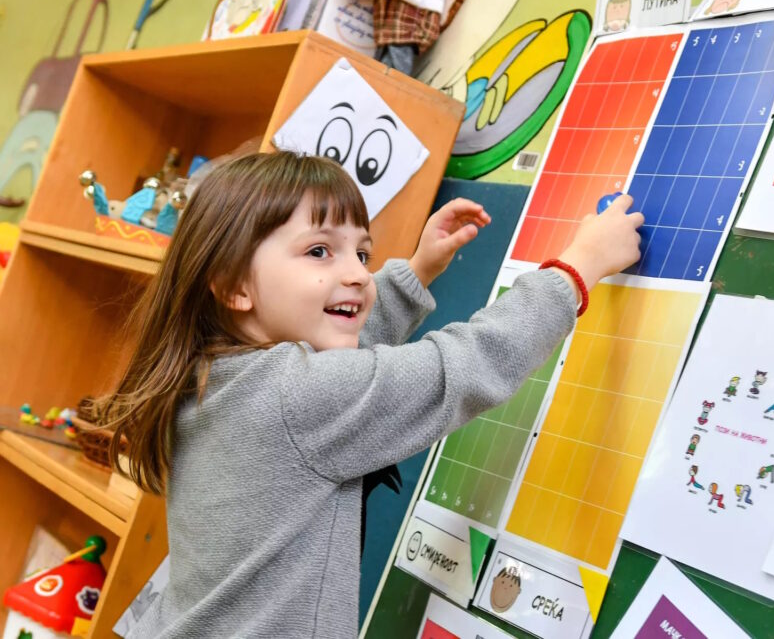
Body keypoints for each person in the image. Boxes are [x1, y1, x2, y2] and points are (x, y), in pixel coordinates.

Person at [98, 151, 644, 638]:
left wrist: (417, 271)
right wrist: (576, 270)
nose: (359, 275)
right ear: (234, 285)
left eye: (361, 253)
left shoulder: (211, 374)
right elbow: (463, 366)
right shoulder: (295, 397)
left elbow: (338, 365)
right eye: (319, 251)